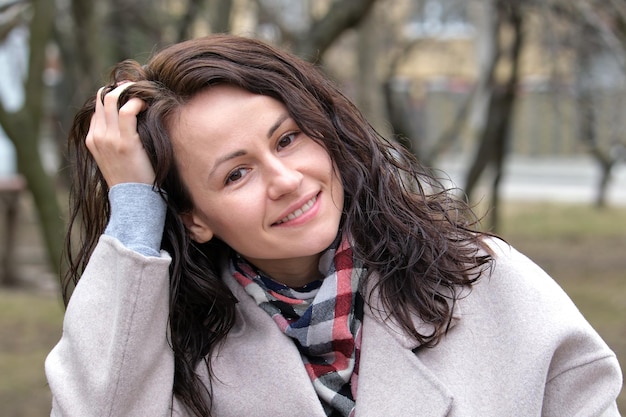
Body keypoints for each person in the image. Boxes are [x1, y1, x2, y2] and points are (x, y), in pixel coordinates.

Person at [45, 34, 622, 417]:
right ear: (194, 218)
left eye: (288, 139)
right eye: (237, 173)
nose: (287, 179)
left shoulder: (485, 282)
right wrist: (133, 202)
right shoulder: (175, 354)